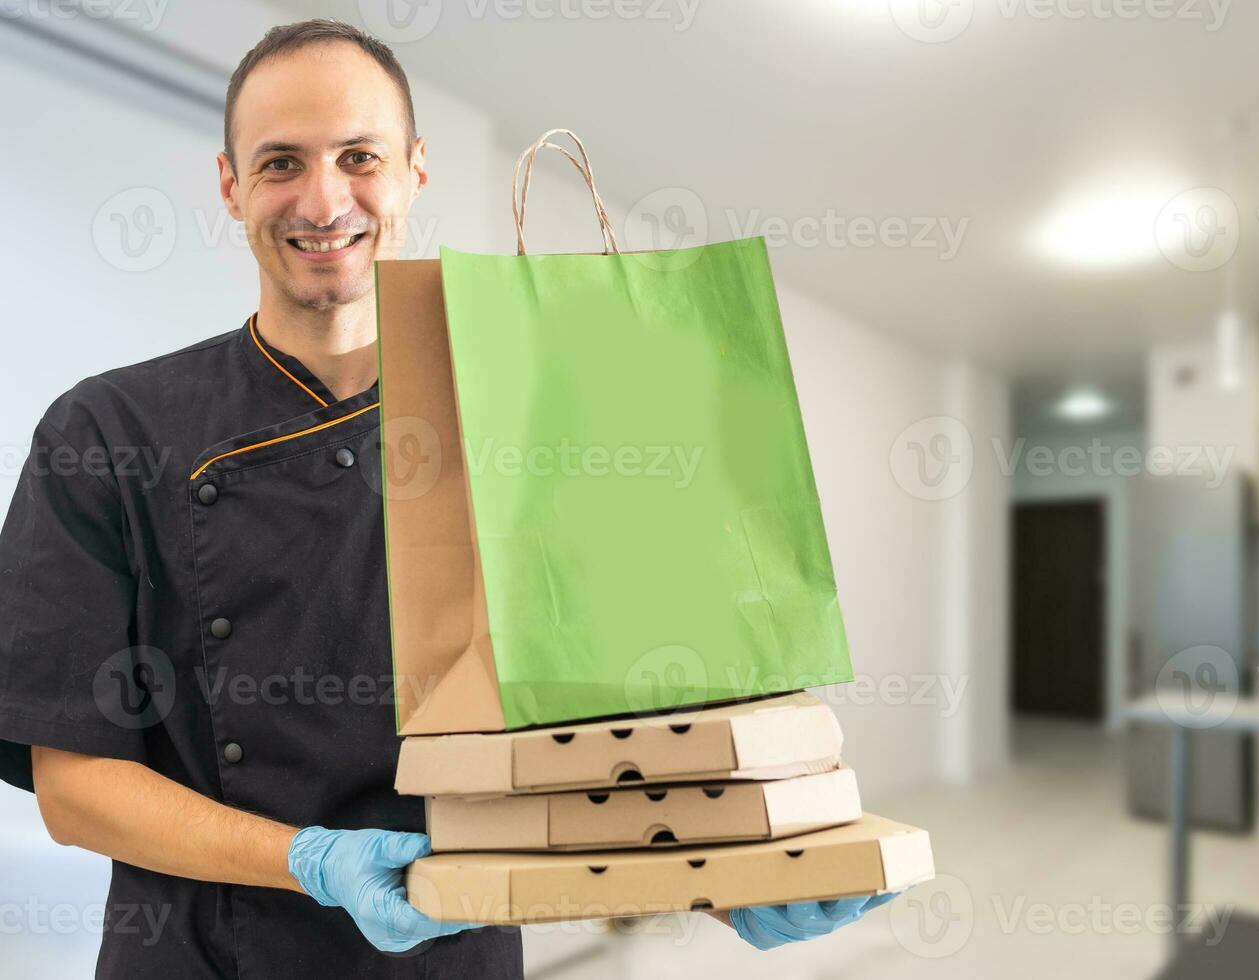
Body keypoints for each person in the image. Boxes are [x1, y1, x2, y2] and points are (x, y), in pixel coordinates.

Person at [0, 19, 885, 978]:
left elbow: (606, 734)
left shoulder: (529, 421)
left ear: (417, 169)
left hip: (458, 955)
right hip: (203, 958)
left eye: (358, 156)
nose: (323, 197)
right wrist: (310, 862)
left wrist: (728, 875)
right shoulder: (107, 431)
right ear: (230, 186)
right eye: (281, 162)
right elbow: (74, 787)